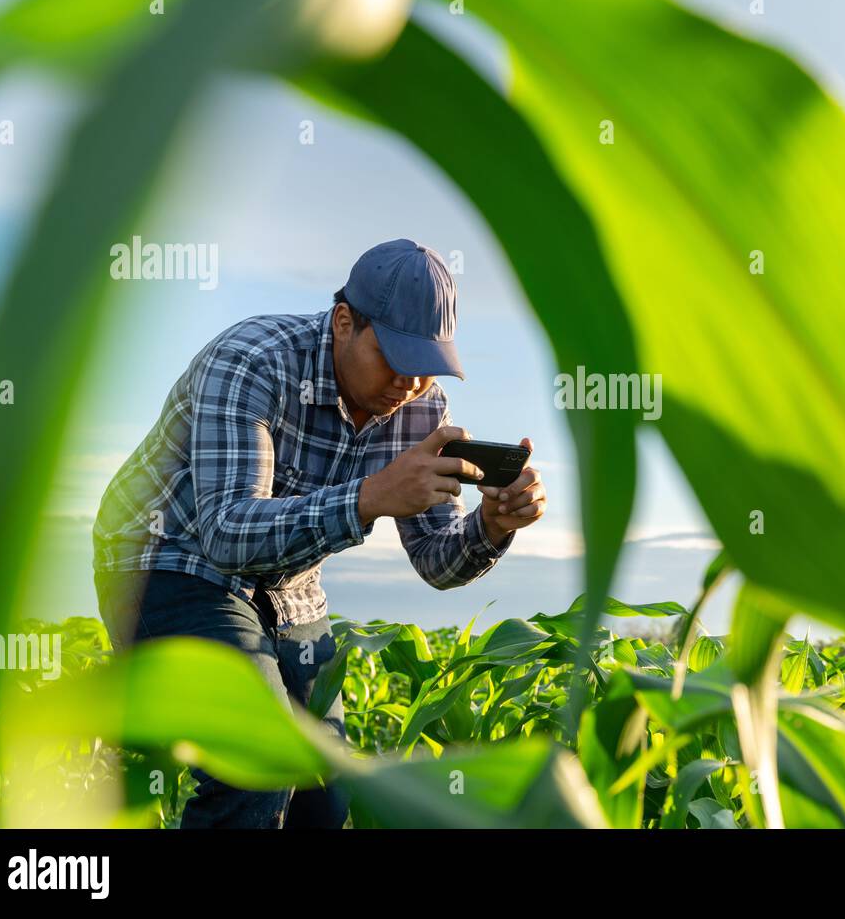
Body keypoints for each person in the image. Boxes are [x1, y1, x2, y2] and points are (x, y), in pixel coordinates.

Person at [91, 239, 547, 827]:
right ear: (343, 322)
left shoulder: (420, 410)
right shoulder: (252, 360)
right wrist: (371, 496)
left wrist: (490, 524)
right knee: (258, 767)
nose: (409, 384)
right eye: (394, 357)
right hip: (167, 560)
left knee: (326, 795)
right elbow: (226, 531)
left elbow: (437, 563)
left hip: (287, 588)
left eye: (425, 365)